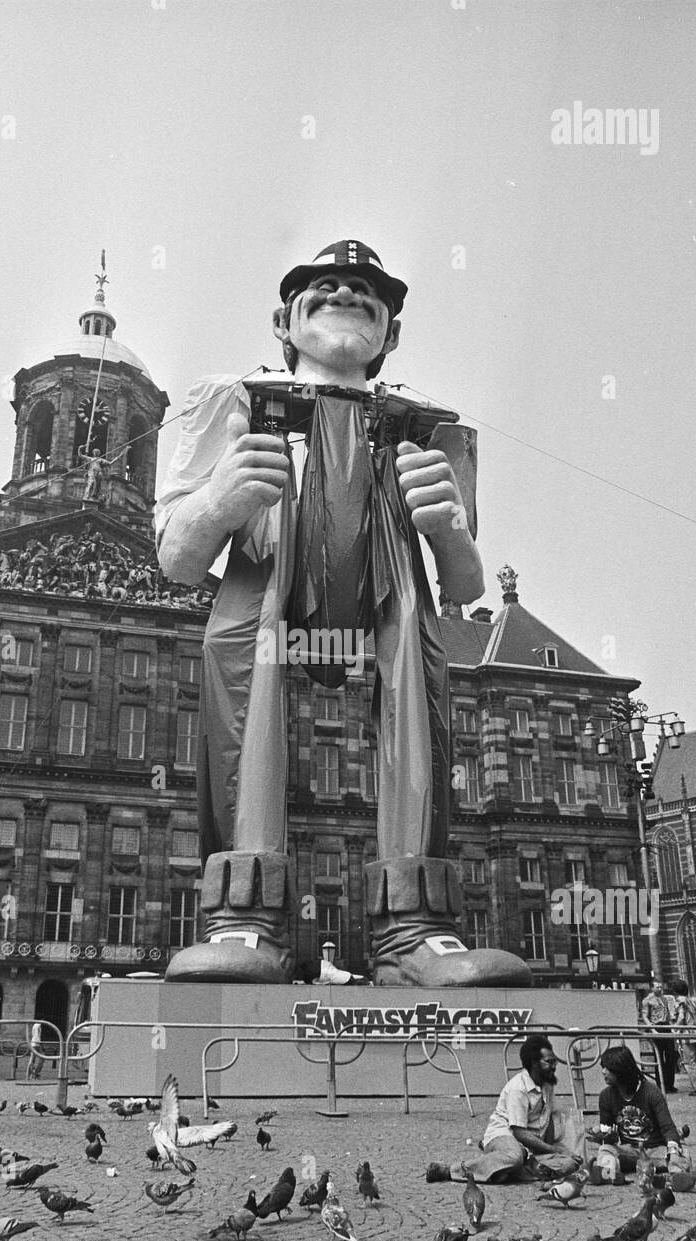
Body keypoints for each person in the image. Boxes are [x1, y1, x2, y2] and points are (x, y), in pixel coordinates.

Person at [155, 239, 530, 989]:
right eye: (324, 287)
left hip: (392, 592)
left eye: (367, 292)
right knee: (242, 683)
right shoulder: (226, 402)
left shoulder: (435, 427)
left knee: (418, 689)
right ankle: (245, 918)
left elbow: (461, 584)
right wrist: (220, 503)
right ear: (282, 321)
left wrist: (450, 529)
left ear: (391, 332)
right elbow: (177, 557)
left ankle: (414, 931)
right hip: (268, 580)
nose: (347, 294)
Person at [462, 1034, 584, 1184]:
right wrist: (555, 1151)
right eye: (549, 1062)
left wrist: (555, 1150)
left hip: (529, 1150)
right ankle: (456, 1170)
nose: (553, 1066)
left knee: (570, 1164)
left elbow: (549, 1119)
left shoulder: (547, 1084)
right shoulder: (518, 1088)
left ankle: (502, 1171)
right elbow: (519, 1133)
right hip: (504, 1137)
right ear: (534, 1063)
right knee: (515, 1156)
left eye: (554, 1061)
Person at [597, 1045, 682, 1171]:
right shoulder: (605, 1096)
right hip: (629, 1150)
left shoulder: (651, 1092)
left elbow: (668, 1127)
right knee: (604, 1151)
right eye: (602, 1067)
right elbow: (607, 1134)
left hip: (655, 1150)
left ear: (620, 1069)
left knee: (681, 1155)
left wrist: (673, 1150)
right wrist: (607, 1137)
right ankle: (647, 1167)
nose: (603, 1071)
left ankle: (629, 1166)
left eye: (607, 1068)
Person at [671, 979, 696, 1095]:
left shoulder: (679, 1001)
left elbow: (681, 1017)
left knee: (689, 1062)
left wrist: (675, 1028)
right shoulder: (691, 1001)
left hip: (686, 1035)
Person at [640, 979, 677, 1092]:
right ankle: (661, 1084)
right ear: (652, 988)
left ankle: (670, 1084)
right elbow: (645, 1016)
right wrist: (652, 1029)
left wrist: (672, 1026)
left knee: (671, 1056)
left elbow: (668, 1013)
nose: (660, 989)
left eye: (661, 987)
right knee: (659, 1056)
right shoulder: (647, 1000)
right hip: (656, 1026)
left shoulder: (664, 999)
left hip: (666, 1026)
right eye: (657, 987)